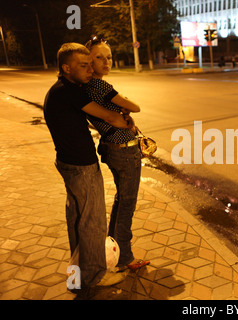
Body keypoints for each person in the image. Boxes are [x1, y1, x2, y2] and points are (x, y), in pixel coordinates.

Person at [43, 43, 134, 296]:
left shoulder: (59, 90)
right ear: (66, 68)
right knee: (92, 222)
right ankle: (94, 275)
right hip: (82, 166)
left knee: (77, 218)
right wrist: (123, 116)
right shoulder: (70, 91)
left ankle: (77, 270)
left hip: (67, 163)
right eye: (83, 65)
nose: (89, 69)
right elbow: (110, 117)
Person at [84, 37, 149, 272]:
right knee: (127, 205)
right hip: (124, 152)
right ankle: (125, 257)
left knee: (121, 201)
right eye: (98, 57)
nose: (106, 62)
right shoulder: (100, 86)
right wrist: (125, 109)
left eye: (108, 57)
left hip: (112, 149)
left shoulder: (87, 86)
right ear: (88, 61)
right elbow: (135, 106)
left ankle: (114, 249)